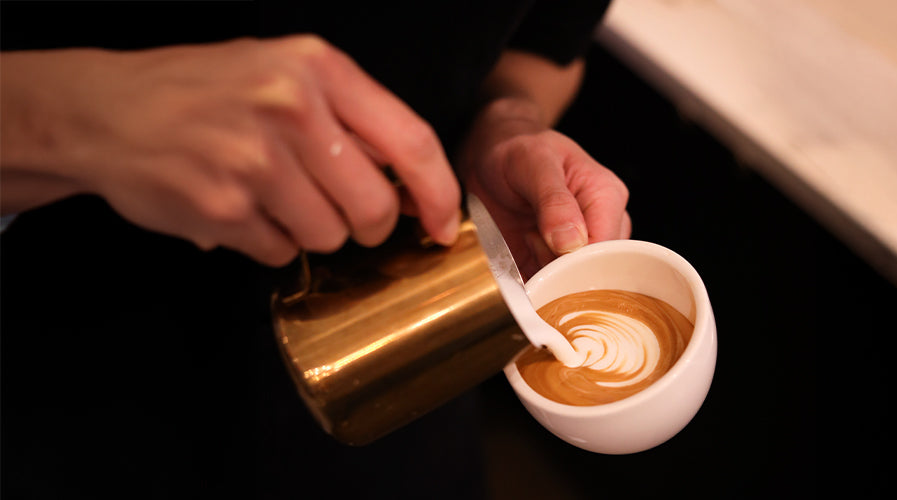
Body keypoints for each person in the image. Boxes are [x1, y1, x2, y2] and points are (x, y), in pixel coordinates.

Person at [0, 1, 627, 498]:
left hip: (409, 355)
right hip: (65, 374)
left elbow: (546, 43)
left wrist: (506, 122)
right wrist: (84, 118)